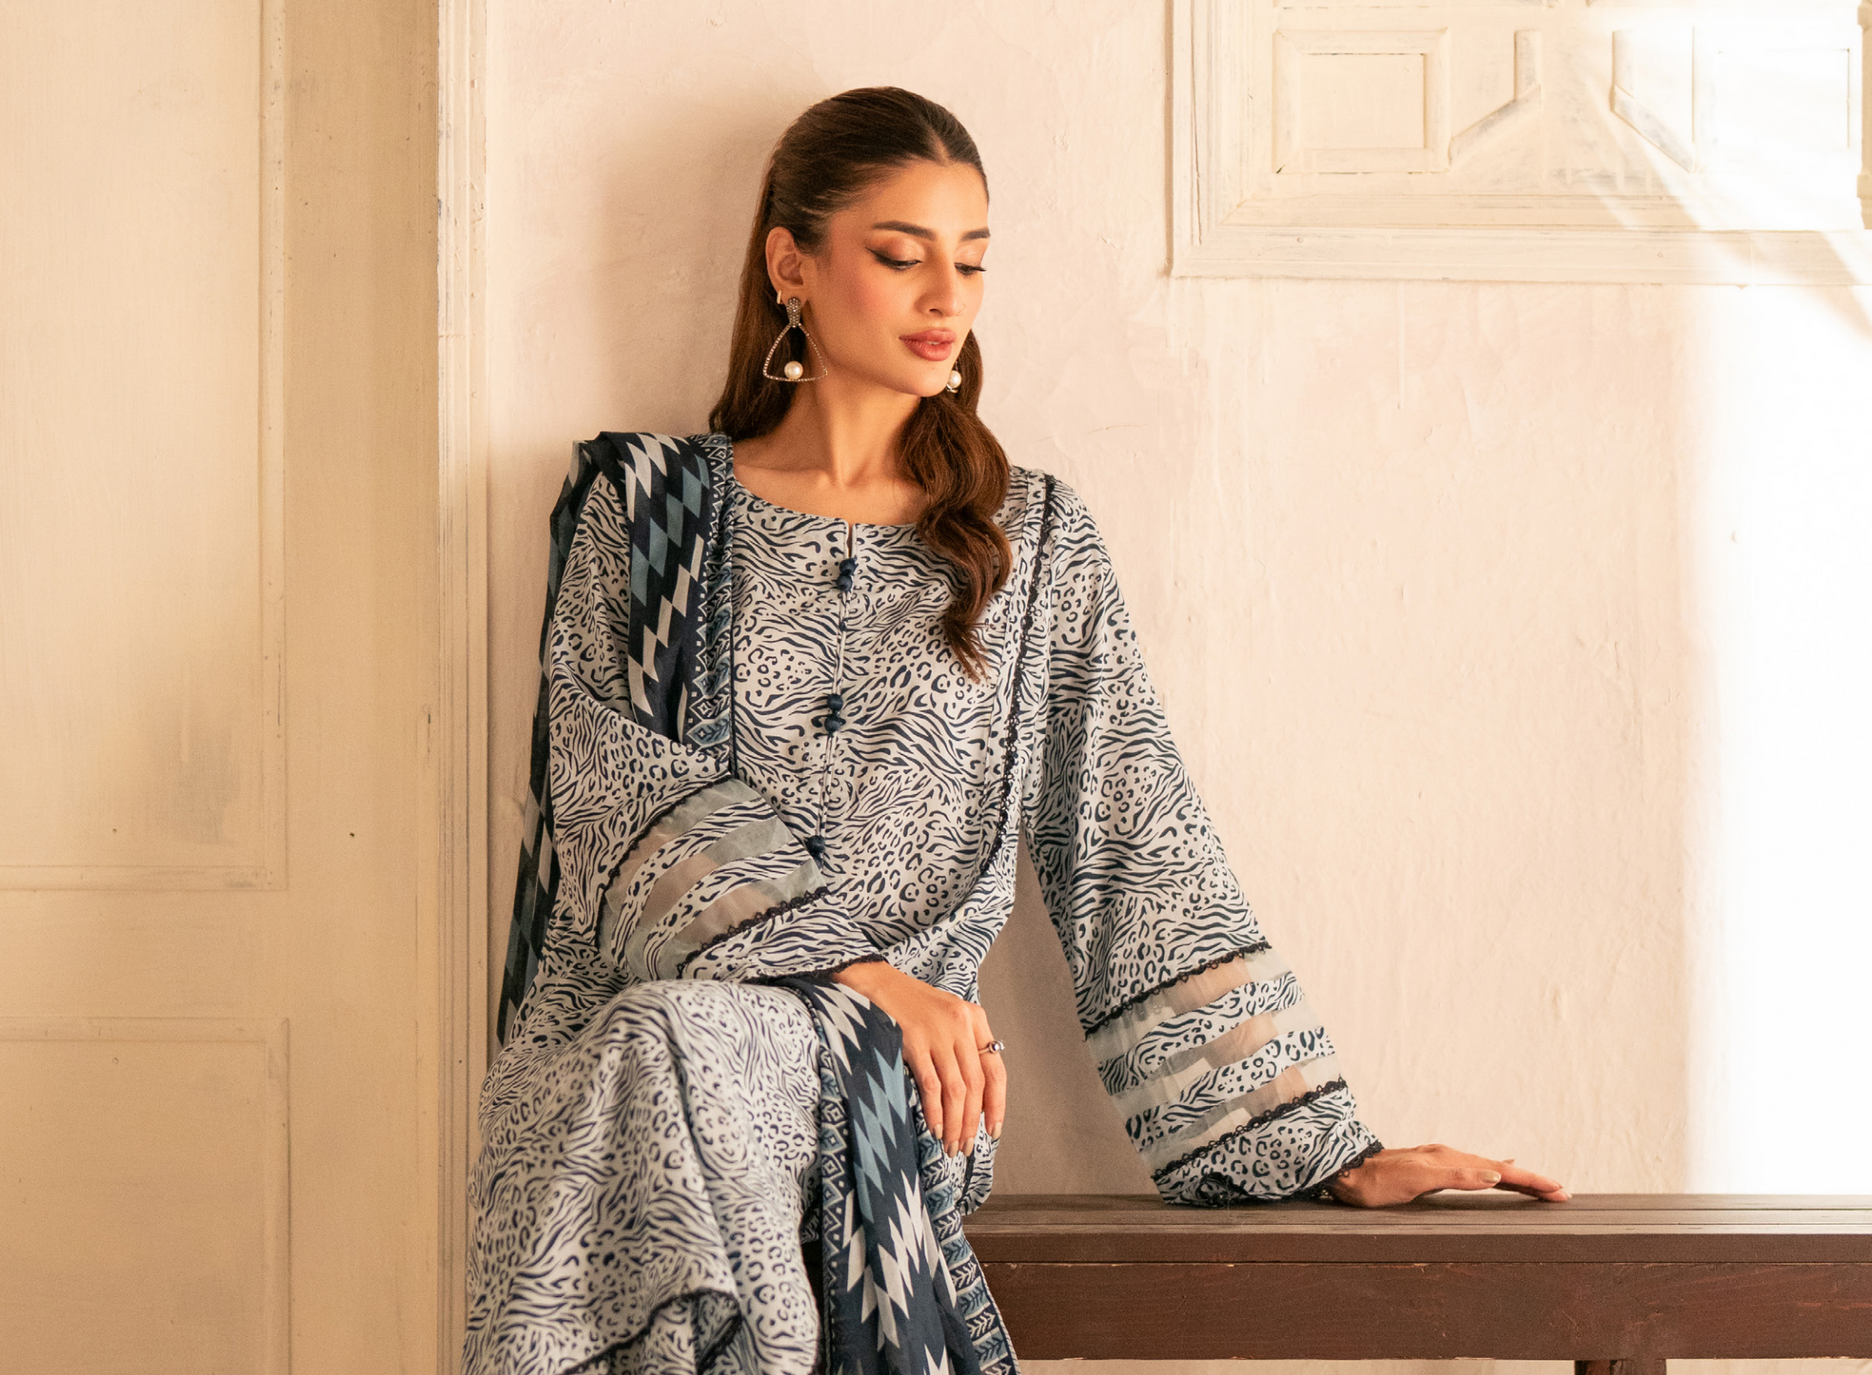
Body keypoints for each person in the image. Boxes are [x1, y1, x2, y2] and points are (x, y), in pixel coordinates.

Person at [462, 86, 1567, 1375]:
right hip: (651, 1048)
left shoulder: (1029, 542)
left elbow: (1133, 837)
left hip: (906, 1089)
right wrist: (855, 973)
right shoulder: (646, 515)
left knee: (670, 1051)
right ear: (790, 264)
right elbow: (605, 785)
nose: (948, 297)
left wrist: (1327, 1151)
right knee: (662, 1045)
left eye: (974, 261)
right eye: (901, 255)